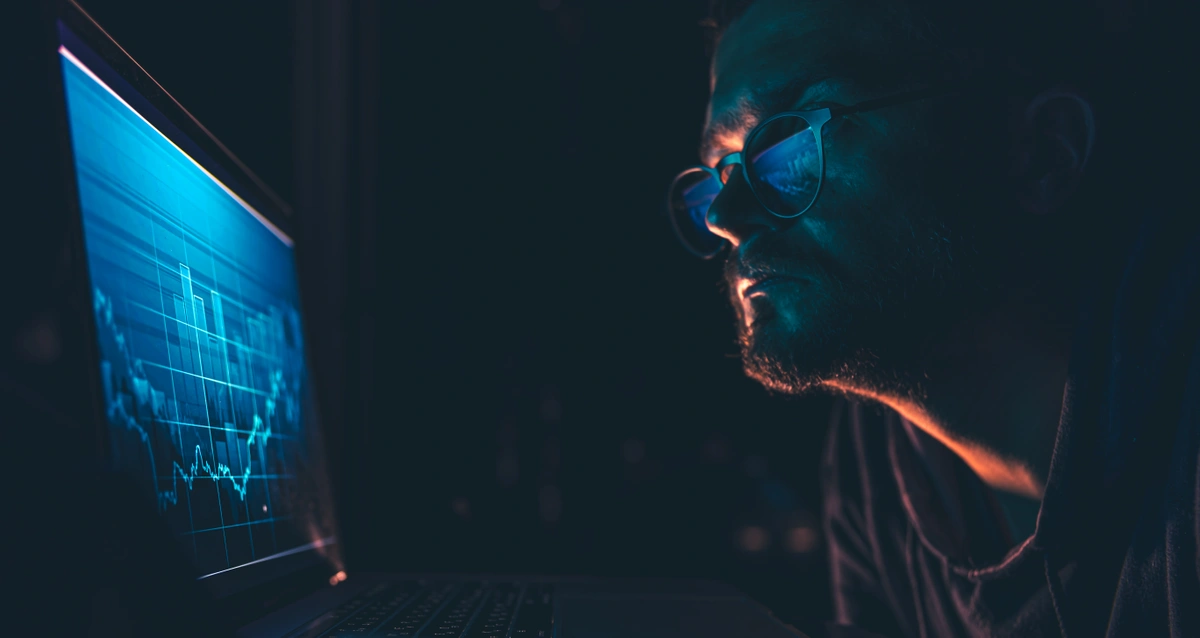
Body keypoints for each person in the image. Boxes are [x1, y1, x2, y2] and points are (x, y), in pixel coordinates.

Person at [666, 0, 1198, 635]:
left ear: (1042, 153)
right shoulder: (876, 461)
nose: (725, 218)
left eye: (787, 146)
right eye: (720, 172)